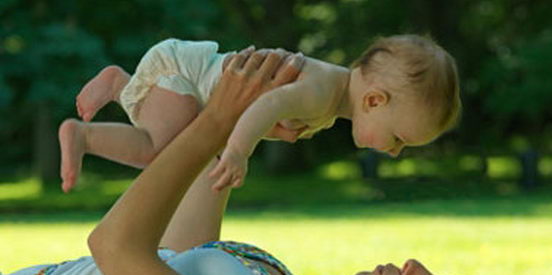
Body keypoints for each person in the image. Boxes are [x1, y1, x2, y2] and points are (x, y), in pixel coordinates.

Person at [2, 49, 552, 275]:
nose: (414, 267)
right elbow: (180, 257)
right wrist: (237, 133)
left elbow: (117, 248)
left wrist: (219, 122)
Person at [57, 34, 462, 193]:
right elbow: (267, 105)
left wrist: (258, 131)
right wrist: (238, 151)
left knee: (176, 147)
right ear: (374, 101)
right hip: (185, 75)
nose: (394, 152)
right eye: (400, 139)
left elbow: (264, 110)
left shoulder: (331, 96)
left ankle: (120, 85)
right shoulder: (321, 93)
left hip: (189, 79)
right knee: (158, 151)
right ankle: (83, 135)